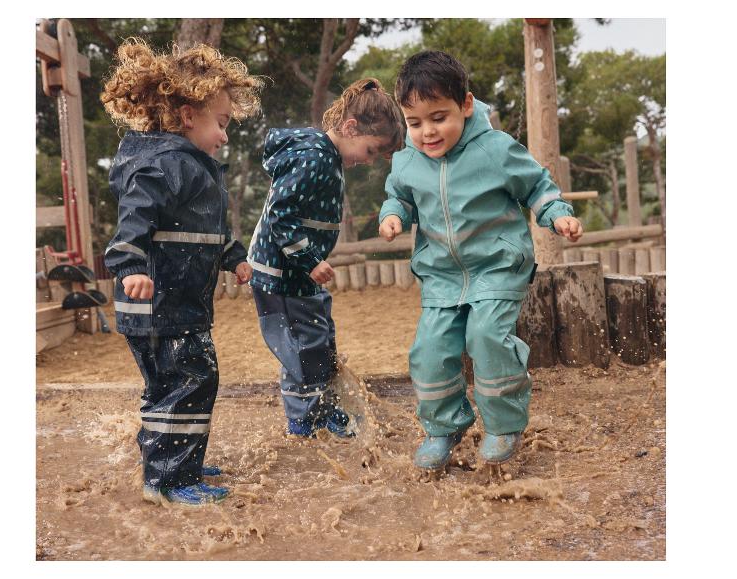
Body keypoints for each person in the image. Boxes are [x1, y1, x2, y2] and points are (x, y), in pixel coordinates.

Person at [378, 51, 583, 469]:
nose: (427, 132)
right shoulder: (407, 160)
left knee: (487, 335)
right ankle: (444, 428)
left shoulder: (495, 149)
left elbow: (536, 185)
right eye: (415, 123)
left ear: (466, 105)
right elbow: (398, 195)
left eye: (439, 117)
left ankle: (504, 423)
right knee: (429, 350)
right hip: (441, 275)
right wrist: (393, 216)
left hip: (497, 265)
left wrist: (557, 214)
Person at [100, 38, 263, 505]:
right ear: (189, 115)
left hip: (171, 304)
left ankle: (171, 460)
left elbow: (204, 229)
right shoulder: (167, 163)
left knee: (171, 384)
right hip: (161, 304)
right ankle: (168, 480)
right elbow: (134, 217)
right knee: (191, 380)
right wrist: (130, 263)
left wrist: (233, 256)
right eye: (223, 122)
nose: (226, 135)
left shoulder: (189, 165)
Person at [248, 78, 405, 438]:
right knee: (302, 343)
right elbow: (280, 215)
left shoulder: (325, 156)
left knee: (317, 335)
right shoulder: (314, 156)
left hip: (295, 270)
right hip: (282, 271)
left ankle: (318, 408)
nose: (367, 162)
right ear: (350, 128)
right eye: (370, 151)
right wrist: (310, 260)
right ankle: (306, 418)